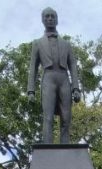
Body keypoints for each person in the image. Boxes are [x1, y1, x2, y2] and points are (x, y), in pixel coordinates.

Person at [26, 7, 80, 144]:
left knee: (66, 118)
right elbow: (33, 68)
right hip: (48, 79)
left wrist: (76, 88)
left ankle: (65, 147)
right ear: (42, 20)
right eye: (47, 16)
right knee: (48, 117)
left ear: (57, 19)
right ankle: (47, 147)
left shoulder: (66, 44)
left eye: (52, 16)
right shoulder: (37, 43)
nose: (50, 18)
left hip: (64, 79)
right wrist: (31, 91)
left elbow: (73, 66)